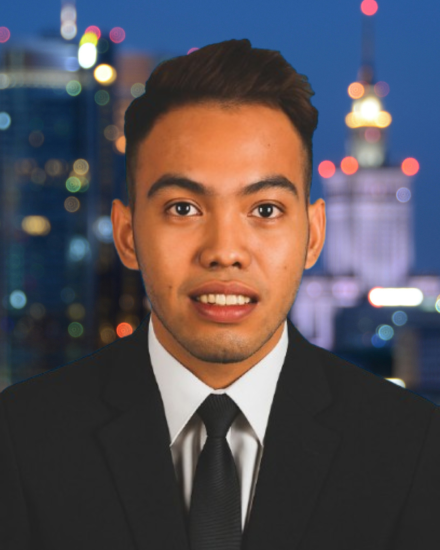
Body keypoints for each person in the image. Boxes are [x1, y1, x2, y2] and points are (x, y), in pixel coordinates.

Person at [1, 38, 439, 550]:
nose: (225, 252)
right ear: (126, 235)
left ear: (313, 235)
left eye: (265, 210)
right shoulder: (22, 439)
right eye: (183, 209)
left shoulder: (413, 447)